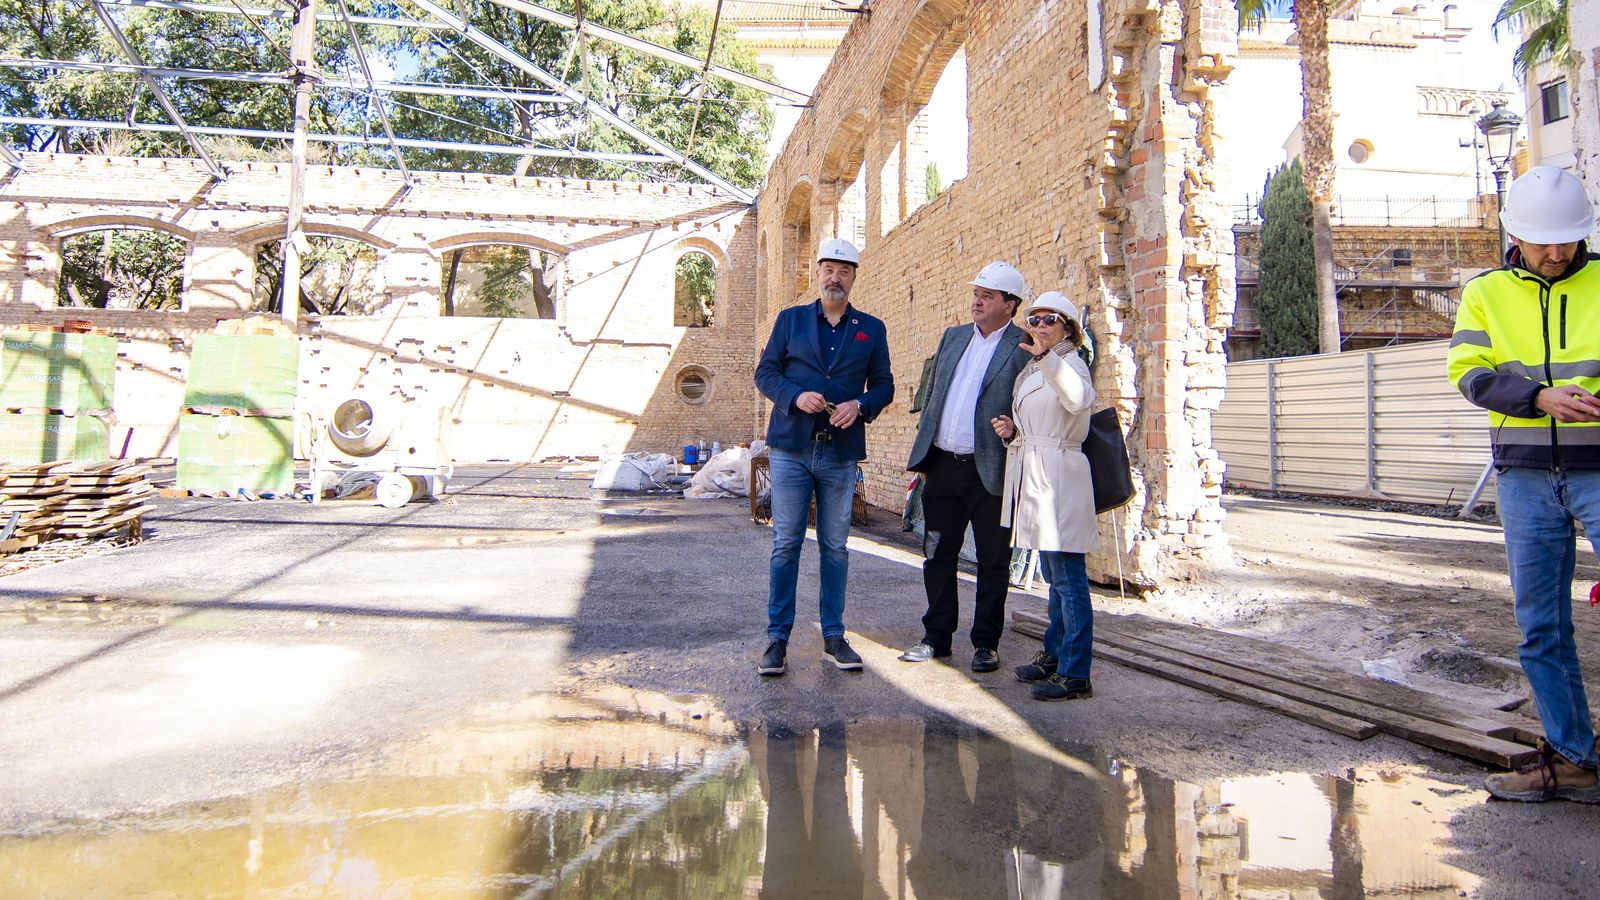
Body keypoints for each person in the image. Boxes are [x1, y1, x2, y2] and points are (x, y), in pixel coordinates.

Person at [1447, 165, 1600, 803]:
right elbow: (1468, 373)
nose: (1556, 252)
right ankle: (1573, 759)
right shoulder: (1484, 293)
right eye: (1543, 241)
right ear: (1516, 235)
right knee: (1541, 625)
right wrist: (1537, 396)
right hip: (1524, 476)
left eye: (1565, 239)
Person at [754, 238, 894, 677]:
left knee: (835, 547)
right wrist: (795, 397)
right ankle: (777, 640)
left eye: (844, 271)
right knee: (786, 545)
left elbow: (885, 384)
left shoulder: (871, 329)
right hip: (791, 451)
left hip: (839, 453)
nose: (835, 278)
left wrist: (862, 406)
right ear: (818, 274)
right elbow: (766, 373)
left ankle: (834, 636)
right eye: (828, 270)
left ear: (854, 277)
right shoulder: (790, 320)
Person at [902, 261, 1034, 672]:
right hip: (942, 465)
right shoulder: (953, 336)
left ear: (1009, 305)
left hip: (990, 470)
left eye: (987, 295)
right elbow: (933, 394)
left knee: (993, 561)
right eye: (976, 293)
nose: (977, 301)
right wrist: (925, 453)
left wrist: (1017, 429)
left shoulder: (1023, 345)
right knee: (937, 553)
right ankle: (936, 637)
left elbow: (1034, 400)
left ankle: (985, 643)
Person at [990, 292, 1098, 701]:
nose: (1037, 327)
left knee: (1069, 579)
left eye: (1048, 320)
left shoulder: (1070, 364)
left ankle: (1076, 672)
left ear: (1067, 327)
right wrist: (1013, 432)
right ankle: (1054, 655)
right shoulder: (1037, 368)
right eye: (1032, 320)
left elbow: (1078, 400)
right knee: (1054, 577)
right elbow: (1040, 420)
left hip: (1060, 477)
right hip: (1037, 472)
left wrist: (1049, 359)